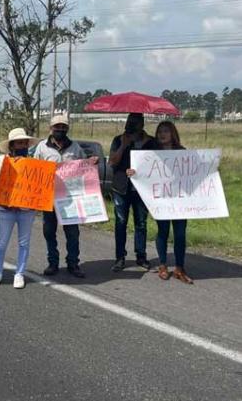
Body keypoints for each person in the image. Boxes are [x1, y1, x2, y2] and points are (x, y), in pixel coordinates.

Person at [127, 121, 192, 284]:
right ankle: (163, 265)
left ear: (173, 134)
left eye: (166, 131)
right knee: (163, 231)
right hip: (161, 200)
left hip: (179, 201)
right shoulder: (151, 154)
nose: (162, 134)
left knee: (180, 234)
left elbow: (192, 172)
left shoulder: (182, 152)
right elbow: (141, 170)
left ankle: (179, 268)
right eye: (160, 131)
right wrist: (133, 172)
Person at [33, 115, 98, 278]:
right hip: (49, 198)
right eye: (57, 127)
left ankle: (73, 263)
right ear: (51, 128)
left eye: (63, 127)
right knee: (49, 231)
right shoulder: (41, 147)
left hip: (71, 199)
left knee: (72, 233)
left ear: (67, 129)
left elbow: (84, 167)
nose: (60, 130)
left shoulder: (75, 147)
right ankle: (52, 263)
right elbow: (35, 170)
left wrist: (91, 162)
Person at [0, 128, 40, 288]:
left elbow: (38, 185)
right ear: (12, 145)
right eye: (19, 143)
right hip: (5, 209)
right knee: (1, 241)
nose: (22, 145)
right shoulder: (0, 161)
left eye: (24, 143)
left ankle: (19, 273)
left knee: (24, 242)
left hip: (26, 210)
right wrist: (1, 195)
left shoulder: (33, 163)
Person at [108, 112, 158, 272]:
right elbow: (112, 162)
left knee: (141, 223)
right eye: (129, 121)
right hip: (121, 186)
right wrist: (123, 145)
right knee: (121, 223)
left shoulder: (151, 142)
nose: (131, 125)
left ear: (142, 124)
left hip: (141, 189)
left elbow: (157, 165)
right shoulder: (118, 140)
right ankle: (120, 257)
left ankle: (141, 256)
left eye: (135, 122)